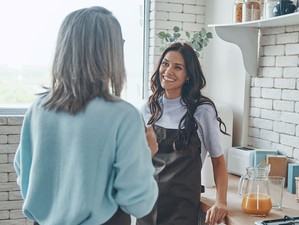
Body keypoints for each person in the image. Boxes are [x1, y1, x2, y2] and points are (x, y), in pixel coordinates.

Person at [13, 6, 158, 225]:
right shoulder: (123, 116)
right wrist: (146, 154)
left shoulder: (38, 108)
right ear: (111, 52)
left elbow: (23, 173)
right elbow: (138, 203)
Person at [137, 42, 229, 225]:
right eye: (165, 63)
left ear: (188, 76)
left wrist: (221, 201)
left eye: (178, 67)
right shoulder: (148, 109)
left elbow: (218, 160)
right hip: (147, 204)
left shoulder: (202, 111)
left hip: (181, 209)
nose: (168, 71)